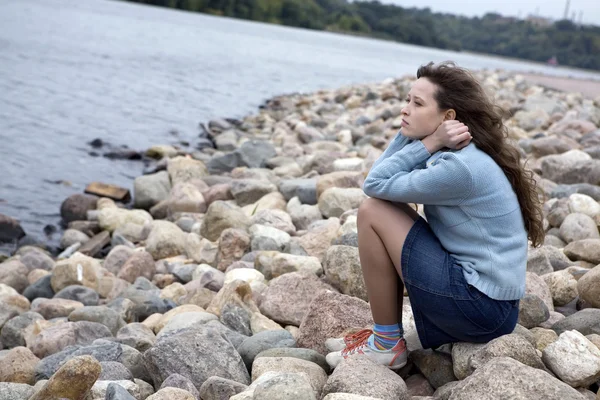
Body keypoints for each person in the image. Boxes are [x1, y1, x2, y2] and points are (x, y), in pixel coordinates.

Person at [325, 61, 544, 370]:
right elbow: (383, 181)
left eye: (417, 103)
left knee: (372, 212)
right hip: (492, 307)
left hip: (481, 309)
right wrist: (422, 138)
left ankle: (387, 345)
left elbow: (373, 184)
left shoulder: (458, 168)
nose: (405, 109)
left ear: (447, 117)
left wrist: (428, 141)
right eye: (406, 100)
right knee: (384, 207)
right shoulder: (456, 155)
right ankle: (387, 340)